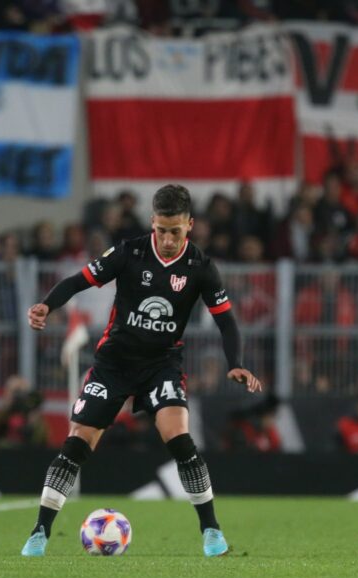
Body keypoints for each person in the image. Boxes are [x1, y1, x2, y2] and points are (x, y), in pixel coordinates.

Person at [20, 184, 262, 557]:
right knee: (77, 444)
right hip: (113, 363)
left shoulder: (201, 267)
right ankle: (39, 533)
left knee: (179, 438)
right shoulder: (128, 252)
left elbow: (227, 323)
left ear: (190, 226)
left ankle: (212, 532)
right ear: (152, 222)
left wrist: (237, 364)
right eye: (161, 230)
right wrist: (46, 306)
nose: (167, 239)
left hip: (161, 365)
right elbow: (77, 281)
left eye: (175, 232)